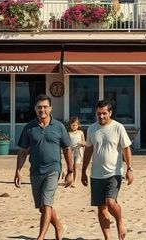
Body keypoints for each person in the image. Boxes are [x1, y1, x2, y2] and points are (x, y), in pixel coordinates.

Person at [14, 94, 73, 240]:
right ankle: (59, 226)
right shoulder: (29, 128)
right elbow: (22, 151)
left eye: (45, 107)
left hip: (53, 170)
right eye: (39, 107)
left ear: (51, 108)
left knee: (46, 203)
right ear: (35, 108)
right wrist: (18, 171)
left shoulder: (59, 127)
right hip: (35, 171)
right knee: (42, 207)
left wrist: (70, 171)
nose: (42, 110)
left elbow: (67, 149)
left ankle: (40, 237)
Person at [81, 100, 133, 240]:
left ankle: (119, 220)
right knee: (101, 208)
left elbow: (126, 149)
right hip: (96, 175)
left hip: (114, 173)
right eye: (98, 114)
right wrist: (83, 171)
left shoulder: (118, 127)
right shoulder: (91, 129)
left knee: (110, 202)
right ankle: (107, 238)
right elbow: (88, 150)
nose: (101, 116)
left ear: (110, 113)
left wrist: (129, 168)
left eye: (104, 113)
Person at [66, 116, 86, 187]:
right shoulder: (68, 133)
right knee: (70, 167)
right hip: (71, 151)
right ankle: (69, 180)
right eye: (73, 125)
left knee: (75, 167)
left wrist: (82, 143)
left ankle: (74, 182)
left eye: (76, 125)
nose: (74, 126)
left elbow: (85, 142)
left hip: (79, 151)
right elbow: (67, 143)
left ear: (78, 125)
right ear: (70, 125)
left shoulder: (80, 132)